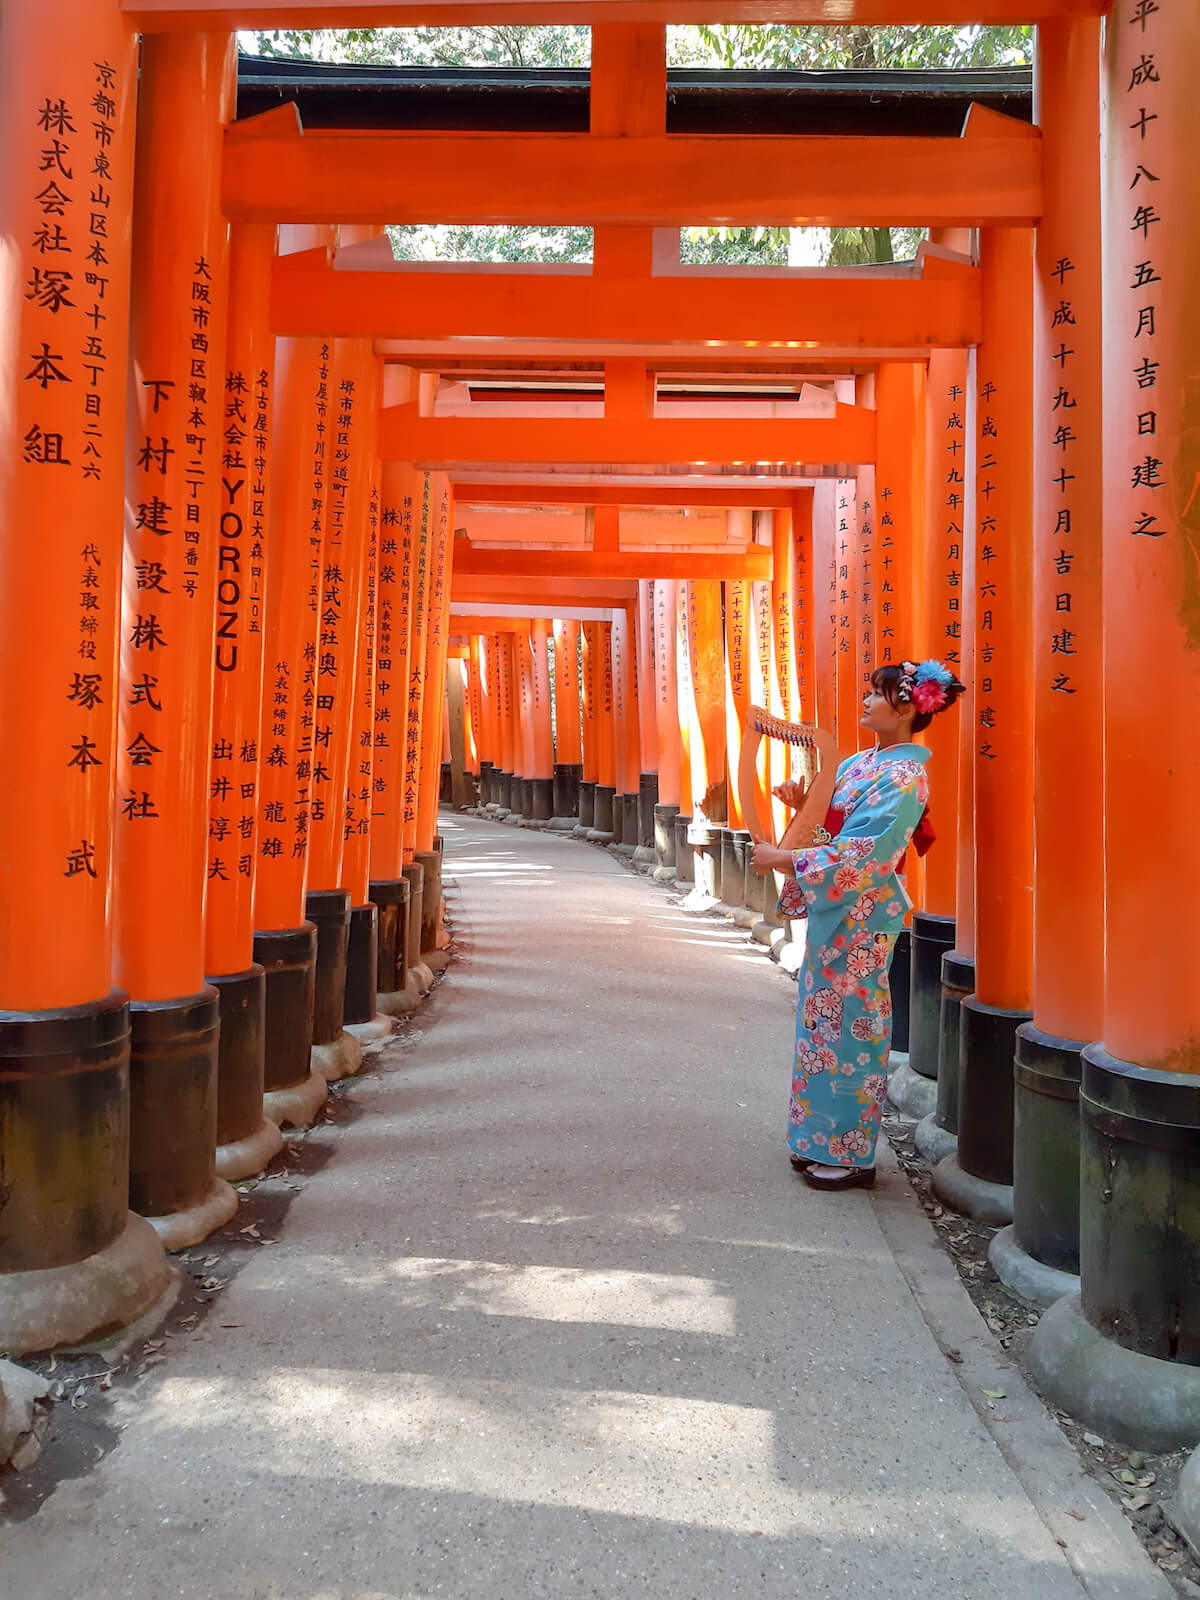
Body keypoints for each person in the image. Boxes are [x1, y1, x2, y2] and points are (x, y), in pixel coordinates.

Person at [750, 659, 965, 1192]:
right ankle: (814, 1139)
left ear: (910, 707)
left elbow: (868, 852)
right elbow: (836, 830)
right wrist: (805, 807)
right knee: (822, 1024)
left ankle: (850, 1154)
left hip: (865, 915)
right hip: (838, 913)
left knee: (851, 1027)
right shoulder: (858, 765)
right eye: (869, 692)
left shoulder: (905, 776)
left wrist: (785, 860)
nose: (866, 701)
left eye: (878, 694)